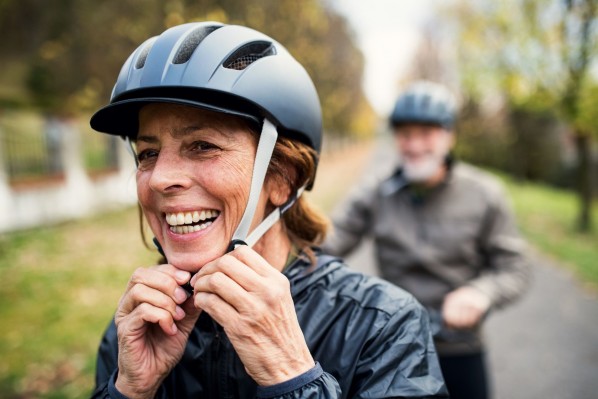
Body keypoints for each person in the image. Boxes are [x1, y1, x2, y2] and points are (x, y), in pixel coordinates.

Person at [89, 22, 448, 398]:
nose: (160, 179)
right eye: (148, 153)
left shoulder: (385, 327)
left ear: (282, 178)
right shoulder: (132, 330)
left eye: (202, 146)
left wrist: (292, 375)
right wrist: (129, 390)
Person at [323, 81, 531, 399]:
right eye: (406, 134)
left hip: (460, 344)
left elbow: (515, 268)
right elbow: (328, 242)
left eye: (427, 133)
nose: (415, 144)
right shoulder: (376, 191)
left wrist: (481, 293)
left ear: (450, 136)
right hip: (394, 343)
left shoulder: (485, 194)